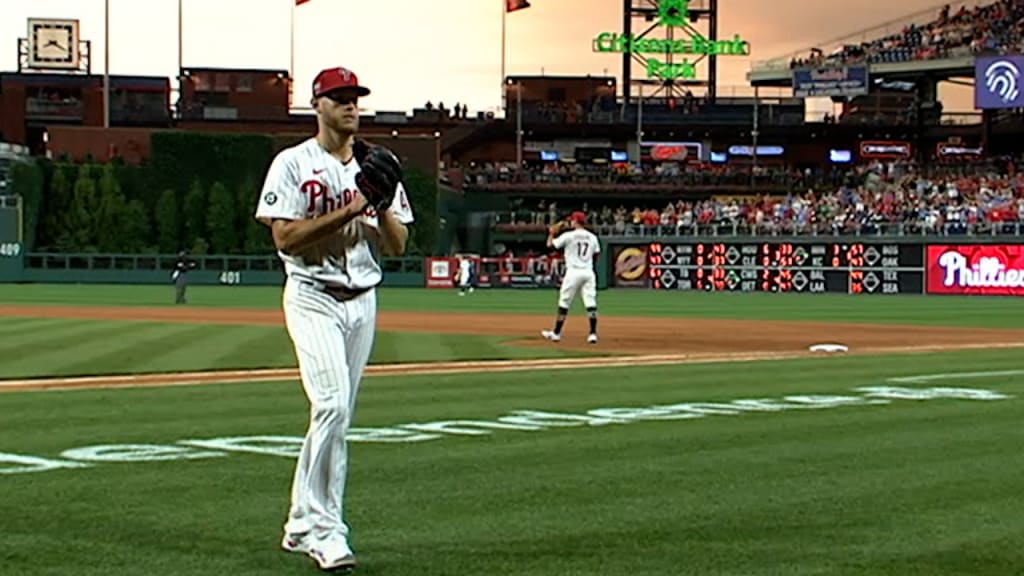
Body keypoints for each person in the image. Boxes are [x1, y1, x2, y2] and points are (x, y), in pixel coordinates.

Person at [254, 65, 414, 572]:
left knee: (339, 417)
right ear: (317, 106)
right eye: (340, 97)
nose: (351, 105)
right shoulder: (292, 163)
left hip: (363, 298)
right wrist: (354, 206)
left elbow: (398, 244)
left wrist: (381, 204)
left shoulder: (377, 165)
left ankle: (302, 520)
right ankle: (326, 530)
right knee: (330, 406)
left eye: (355, 97)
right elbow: (284, 237)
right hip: (312, 295)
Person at [541, 211, 601, 344]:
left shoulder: (569, 236)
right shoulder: (592, 237)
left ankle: (556, 333)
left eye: (572, 220)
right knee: (590, 303)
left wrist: (551, 233)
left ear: (575, 221)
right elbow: (597, 255)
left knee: (564, 302)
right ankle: (592, 334)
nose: (570, 222)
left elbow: (550, 245)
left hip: (573, 272)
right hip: (588, 272)